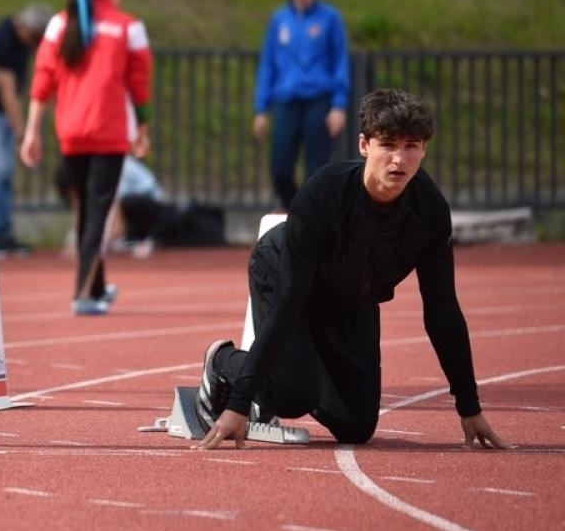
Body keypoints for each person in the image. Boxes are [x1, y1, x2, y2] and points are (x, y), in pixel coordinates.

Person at [197, 88, 508, 452]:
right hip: (288, 277)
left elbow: (442, 310)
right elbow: (289, 300)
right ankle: (221, 360)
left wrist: (469, 407)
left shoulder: (430, 211)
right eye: (387, 144)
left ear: (424, 149)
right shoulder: (323, 194)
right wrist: (238, 405)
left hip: (352, 296)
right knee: (292, 395)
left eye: (411, 146)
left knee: (356, 426)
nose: (399, 159)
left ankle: (291, 372)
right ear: (364, 145)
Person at [19, 0, 153, 316]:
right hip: (108, 133)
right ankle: (83, 294)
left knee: (87, 212)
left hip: (71, 131)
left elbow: (42, 79)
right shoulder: (129, 27)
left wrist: (32, 131)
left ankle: (96, 286)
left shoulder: (60, 23)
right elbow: (139, 85)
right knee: (98, 214)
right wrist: (142, 127)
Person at [253, 0, 350, 210]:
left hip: (319, 99)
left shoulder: (329, 18)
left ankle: (310, 215)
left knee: (316, 169)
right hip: (286, 100)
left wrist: (339, 105)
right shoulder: (279, 20)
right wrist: (261, 109)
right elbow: (268, 64)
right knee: (280, 167)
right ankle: (296, 209)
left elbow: (340, 61)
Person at [0, 3, 50, 255]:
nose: (36, 44)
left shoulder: (20, 42)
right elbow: (6, 90)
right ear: (28, 29)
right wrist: (21, 131)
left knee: (4, 174)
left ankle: (3, 232)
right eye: (36, 38)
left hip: (0, 115)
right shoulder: (4, 39)